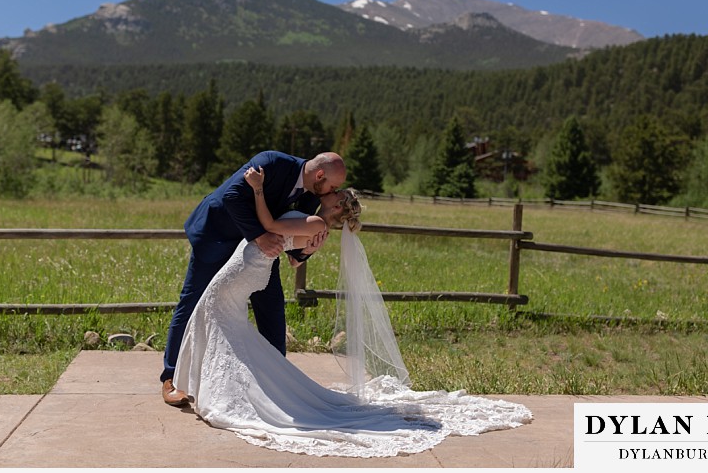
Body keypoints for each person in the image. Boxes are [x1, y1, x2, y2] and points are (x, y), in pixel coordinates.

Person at [171, 164, 533, 458]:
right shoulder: (316, 225)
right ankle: (234, 384)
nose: (328, 195)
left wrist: (259, 190)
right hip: (250, 270)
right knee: (225, 326)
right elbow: (296, 259)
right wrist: (300, 250)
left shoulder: (314, 224)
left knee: (217, 318)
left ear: (335, 209)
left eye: (335, 197)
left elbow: (269, 228)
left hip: (245, 270)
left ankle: (224, 387)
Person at [160, 150, 346, 406]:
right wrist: (260, 236)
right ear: (320, 174)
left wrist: (305, 252)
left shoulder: (312, 194)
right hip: (219, 234)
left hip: (257, 253)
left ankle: (276, 381)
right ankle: (171, 378)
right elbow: (231, 197)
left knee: (272, 309)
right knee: (192, 300)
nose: (331, 192)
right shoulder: (271, 162)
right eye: (333, 186)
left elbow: (293, 237)